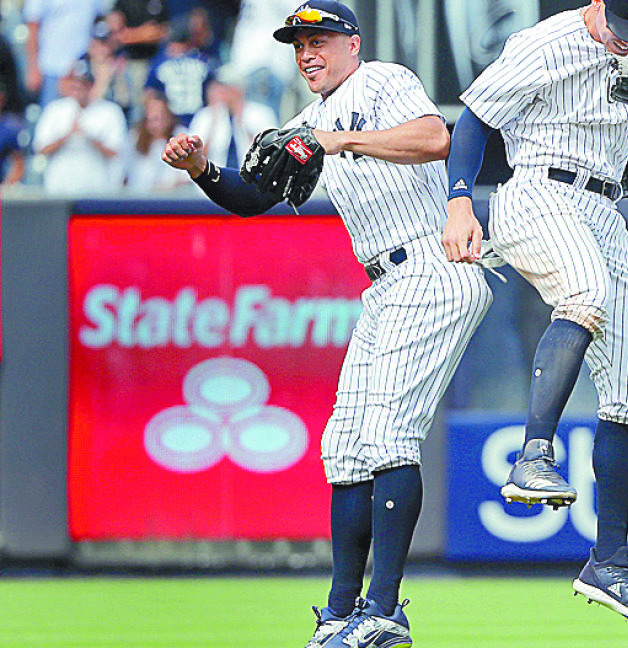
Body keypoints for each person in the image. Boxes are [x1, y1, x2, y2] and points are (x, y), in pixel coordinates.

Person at [161, 3, 492, 647]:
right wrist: (200, 169)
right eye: (298, 43)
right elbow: (255, 195)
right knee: (344, 447)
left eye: (320, 39)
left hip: (433, 265)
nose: (307, 51)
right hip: (388, 284)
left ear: (352, 42)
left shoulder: (382, 80)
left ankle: (386, 613)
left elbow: (435, 138)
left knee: (390, 437)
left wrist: (338, 140)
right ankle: (342, 614)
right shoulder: (307, 119)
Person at [441, 0, 628, 632]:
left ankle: (608, 559)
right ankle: (533, 453)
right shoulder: (548, 41)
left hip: (608, 206)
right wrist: (458, 201)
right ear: (597, 6)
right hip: (537, 192)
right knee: (582, 294)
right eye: (620, 28)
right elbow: (474, 117)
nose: (627, 41)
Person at [32, 57, 129, 194]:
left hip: (96, 189)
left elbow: (115, 151)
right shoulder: (55, 109)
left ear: (91, 85)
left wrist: (88, 136)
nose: (78, 89)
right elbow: (41, 148)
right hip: (59, 189)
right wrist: (67, 135)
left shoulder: (109, 111)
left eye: (83, 84)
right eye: (74, 83)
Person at [187, 64, 278, 169]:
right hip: (215, 179)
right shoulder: (205, 116)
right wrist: (214, 122)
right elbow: (195, 158)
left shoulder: (261, 113)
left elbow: (270, 154)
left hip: (252, 178)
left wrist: (242, 121)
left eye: (226, 88)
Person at [21, 0, 106, 106]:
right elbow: (33, 28)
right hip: (50, 69)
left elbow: (101, 19)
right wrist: (33, 68)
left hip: (84, 70)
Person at [143, 15, 218, 126]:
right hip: (200, 121)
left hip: (171, 124)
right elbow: (214, 91)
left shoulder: (159, 63)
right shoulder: (204, 60)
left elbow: (149, 93)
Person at [123, 95, 188, 192]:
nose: (154, 125)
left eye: (157, 118)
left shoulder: (181, 137)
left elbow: (187, 177)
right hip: (140, 198)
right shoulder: (134, 138)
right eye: (150, 119)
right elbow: (125, 172)